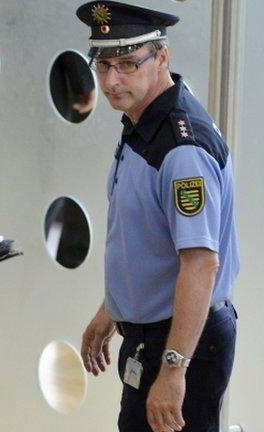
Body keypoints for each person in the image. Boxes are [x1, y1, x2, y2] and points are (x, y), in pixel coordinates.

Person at [76, 2, 239, 431]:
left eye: (128, 63)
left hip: (182, 342)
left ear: (161, 57)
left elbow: (201, 263)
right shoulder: (144, 120)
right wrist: (112, 308)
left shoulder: (181, 148)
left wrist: (172, 370)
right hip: (156, 335)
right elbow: (149, 237)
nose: (111, 80)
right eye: (103, 64)